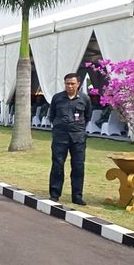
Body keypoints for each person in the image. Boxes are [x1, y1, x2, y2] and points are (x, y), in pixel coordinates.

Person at [48, 72, 91, 205]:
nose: (70, 86)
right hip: (60, 137)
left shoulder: (84, 99)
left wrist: (79, 129)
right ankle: (55, 194)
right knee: (57, 165)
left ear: (78, 84)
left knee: (78, 166)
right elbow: (52, 115)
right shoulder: (57, 98)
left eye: (73, 83)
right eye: (67, 83)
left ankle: (77, 196)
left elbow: (88, 116)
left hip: (78, 138)